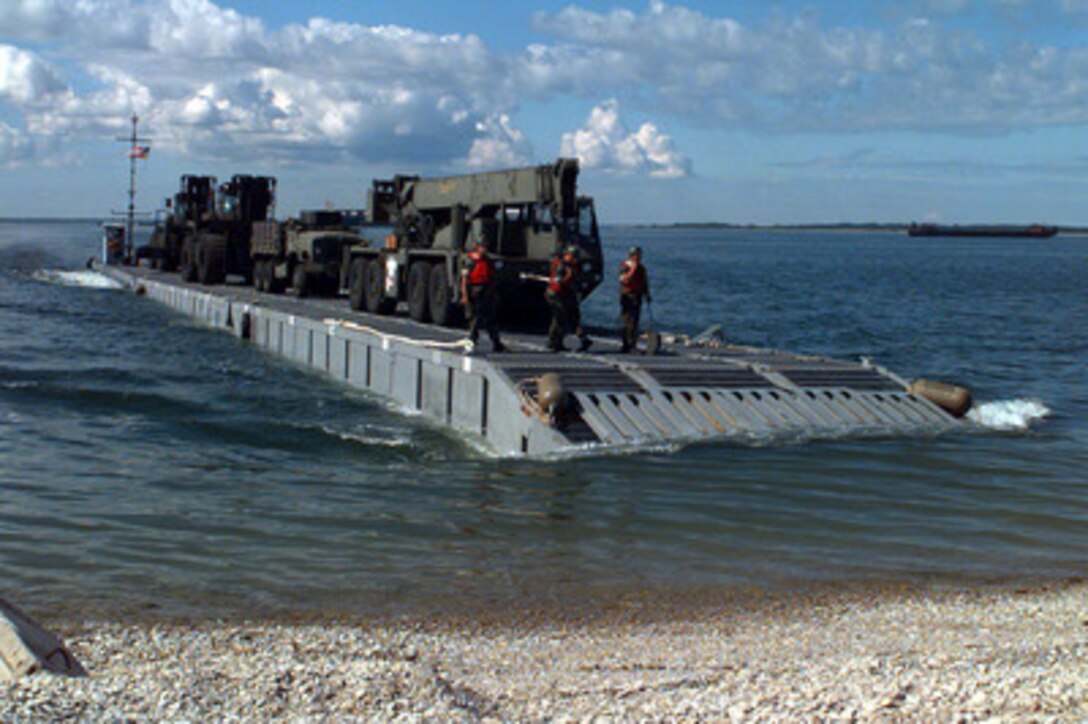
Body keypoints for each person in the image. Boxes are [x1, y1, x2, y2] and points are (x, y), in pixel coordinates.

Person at [461, 239, 505, 353]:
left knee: (490, 318)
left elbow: (493, 278)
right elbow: (465, 279)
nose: (484, 249)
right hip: (475, 291)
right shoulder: (470, 261)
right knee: (475, 318)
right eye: (482, 247)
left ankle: (497, 343)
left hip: (487, 292)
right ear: (477, 247)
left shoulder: (488, 261)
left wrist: (494, 293)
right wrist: (465, 296)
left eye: (485, 247)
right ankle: (472, 340)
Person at [546, 246, 592, 353]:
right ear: (567, 255)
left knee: (572, 317)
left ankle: (580, 338)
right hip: (556, 294)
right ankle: (553, 341)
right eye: (572, 256)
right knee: (559, 316)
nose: (575, 258)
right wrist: (567, 276)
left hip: (568, 294)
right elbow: (559, 281)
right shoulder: (561, 266)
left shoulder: (574, 266)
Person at [618, 245, 651, 353]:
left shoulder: (642, 268)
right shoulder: (625, 266)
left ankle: (632, 344)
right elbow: (623, 279)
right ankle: (626, 344)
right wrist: (632, 270)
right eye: (637, 255)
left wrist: (647, 295)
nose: (639, 257)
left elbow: (644, 282)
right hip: (627, 295)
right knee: (627, 320)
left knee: (635, 320)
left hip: (637, 295)